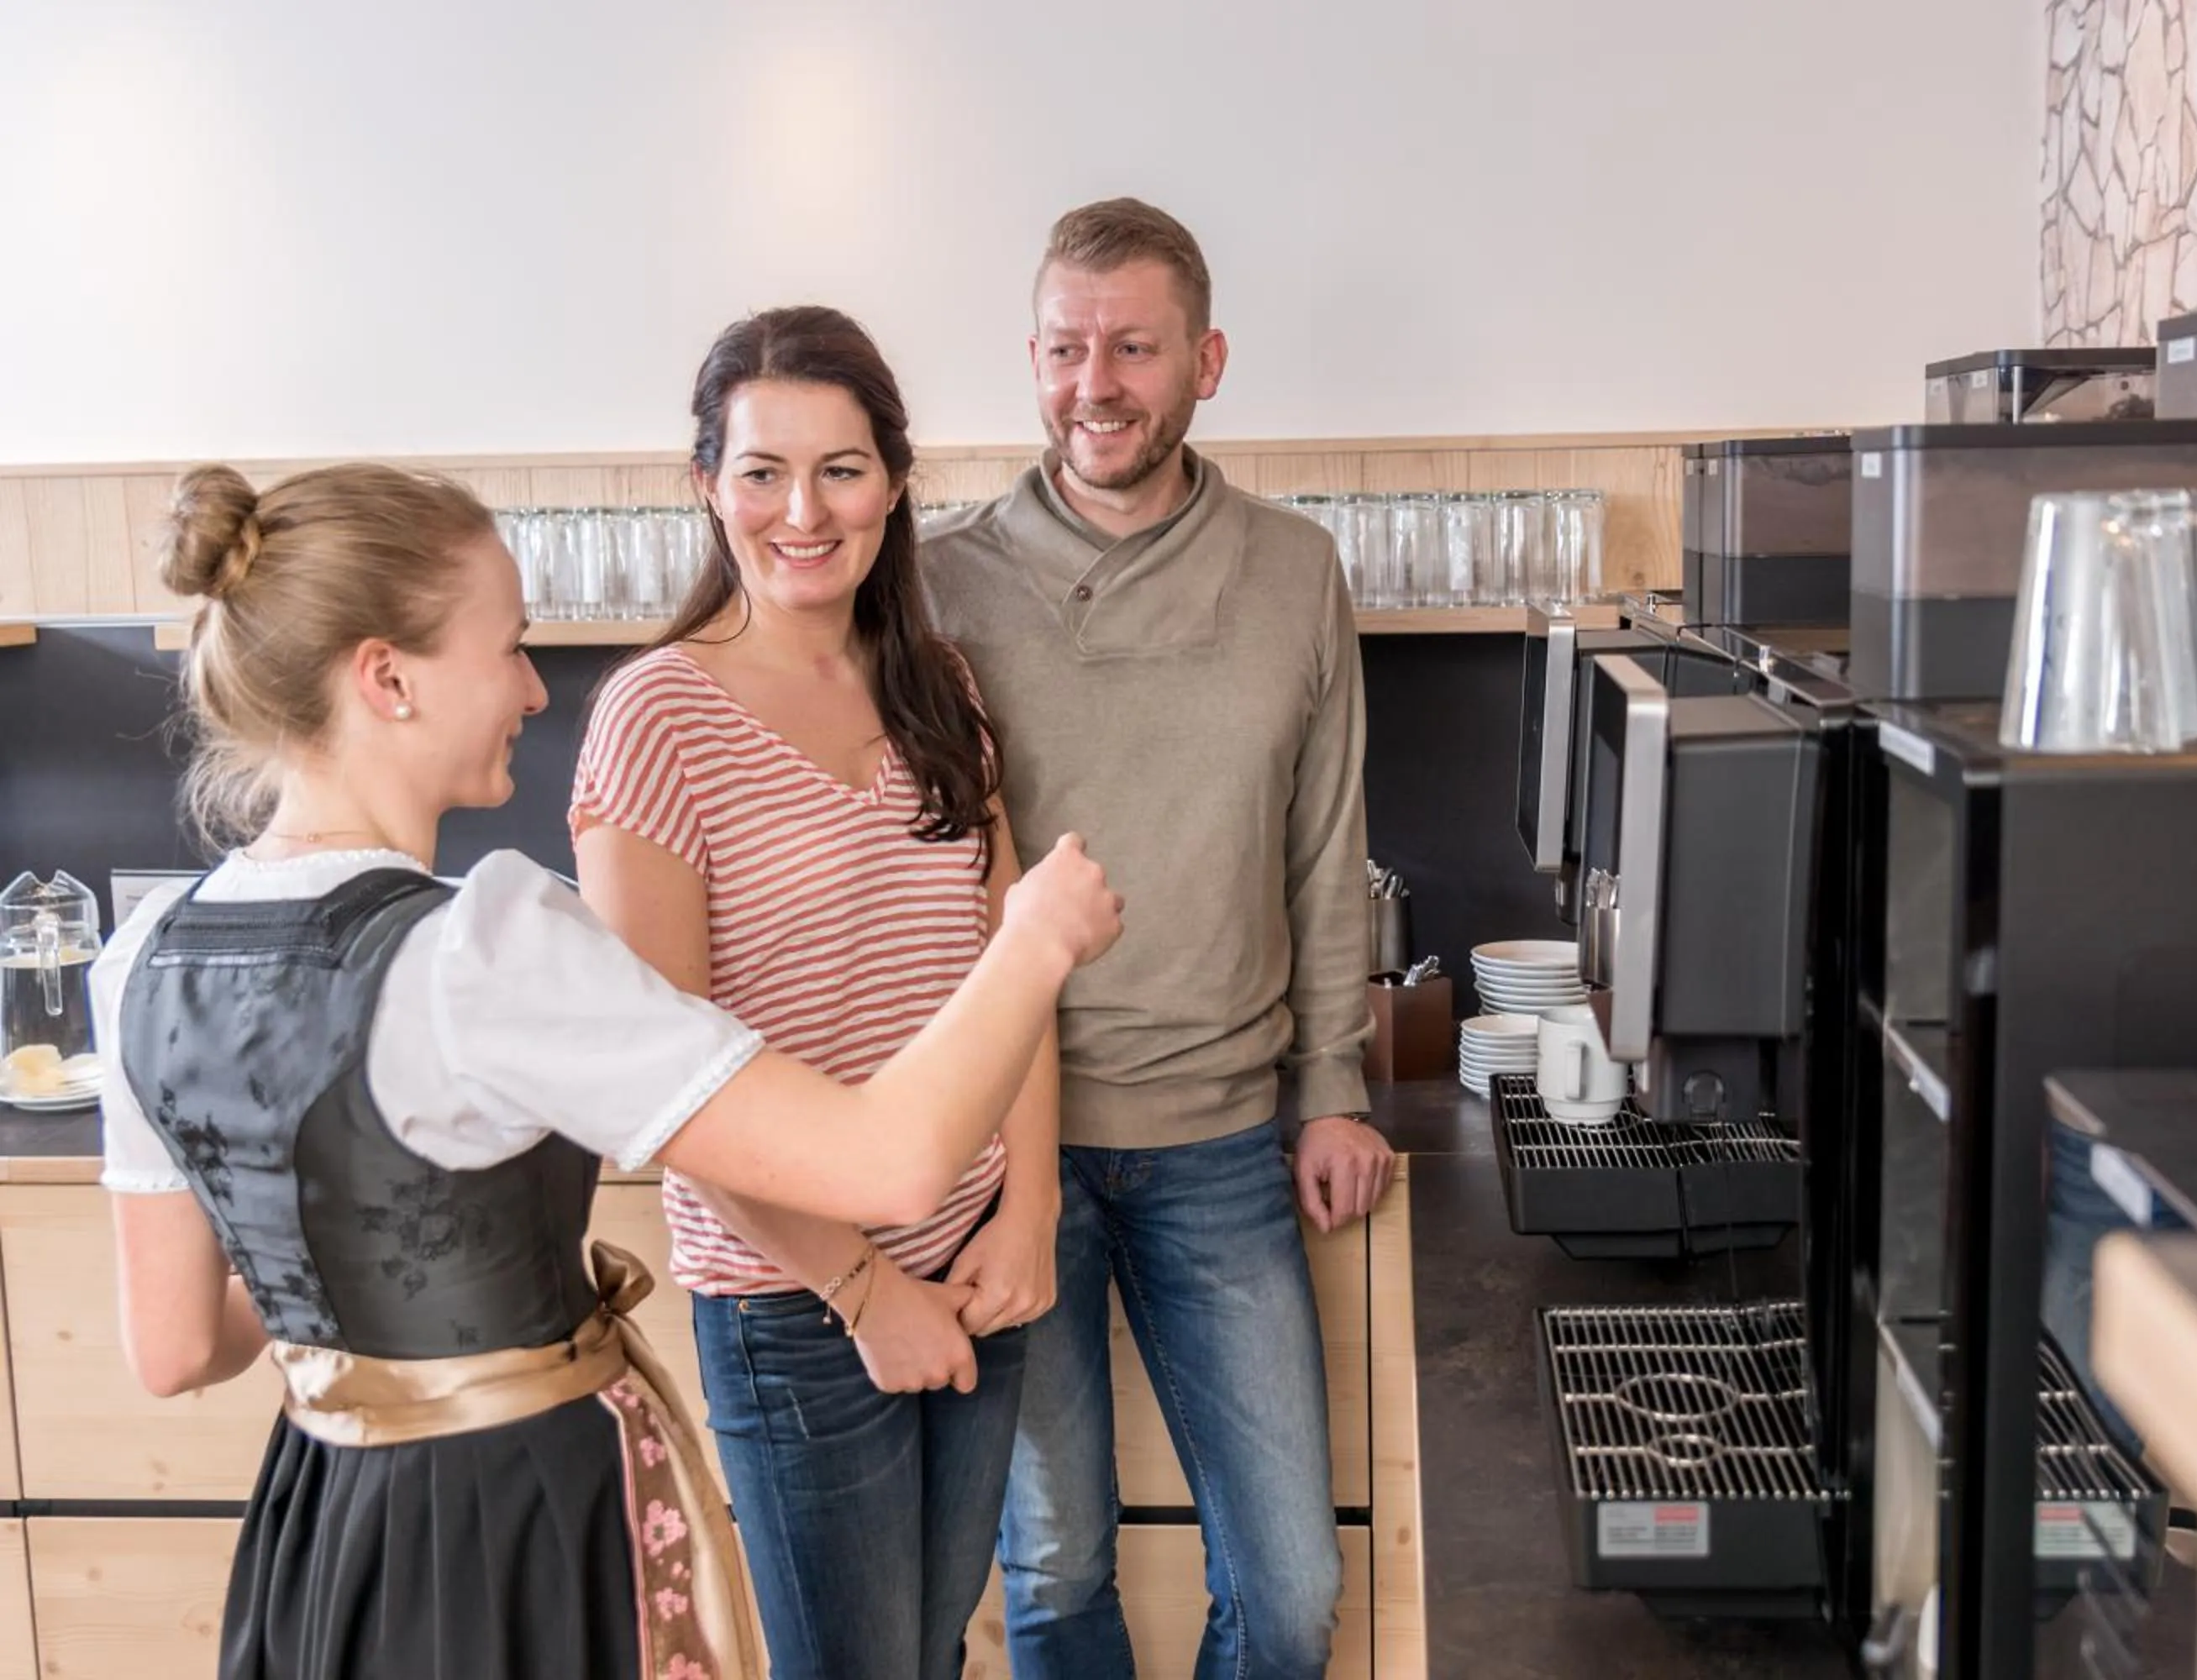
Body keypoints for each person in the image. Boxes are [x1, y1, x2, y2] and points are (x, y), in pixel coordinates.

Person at [95, 459, 1121, 1680]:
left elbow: (176, 1348)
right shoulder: (487, 945)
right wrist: (1033, 943)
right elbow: (888, 1164)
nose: (535, 689)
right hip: (514, 1521)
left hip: (326, 1527)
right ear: (388, 678)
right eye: (509, 649)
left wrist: (357, 1267)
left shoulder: (143, 957)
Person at [922, 197, 1393, 1679]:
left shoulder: (1295, 570)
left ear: (1207, 362)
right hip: (1006, 1155)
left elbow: (1325, 849)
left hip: (1222, 1145)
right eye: (1066, 348)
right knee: (1054, 1569)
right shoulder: (934, 582)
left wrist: (1335, 1086)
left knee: (1294, 1591)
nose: (1096, 384)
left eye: (1134, 347)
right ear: (1032, 359)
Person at [571, 305, 1059, 1679]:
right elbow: (663, 1086)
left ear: (893, 485)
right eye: (762, 471)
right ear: (706, 485)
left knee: (930, 1654)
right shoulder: (656, 718)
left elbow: (1012, 970)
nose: (803, 511)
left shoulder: (940, 688)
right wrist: (861, 1290)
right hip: (793, 1302)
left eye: (841, 469)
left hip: (977, 1267)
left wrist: (1030, 1212)